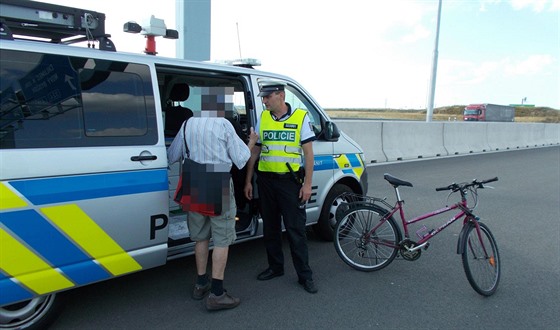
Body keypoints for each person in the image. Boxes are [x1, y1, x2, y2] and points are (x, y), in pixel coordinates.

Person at [168, 87, 258, 311]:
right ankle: (217, 293)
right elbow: (240, 160)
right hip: (218, 182)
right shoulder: (224, 125)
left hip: (194, 182)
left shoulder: (187, 124)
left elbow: (173, 155)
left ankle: (200, 283)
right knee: (222, 238)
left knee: (200, 237)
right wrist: (251, 141)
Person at [243, 81, 318, 294]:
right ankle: (276, 267)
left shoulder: (300, 117)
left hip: (289, 182)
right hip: (266, 181)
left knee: (295, 230)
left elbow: (309, 154)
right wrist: (248, 180)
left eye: (267, 97)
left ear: (281, 95)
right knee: (270, 228)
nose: (264, 101)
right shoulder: (263, 118)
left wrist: (308, 184)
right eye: (263, 98)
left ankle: (305, 275)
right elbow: (255, 152)